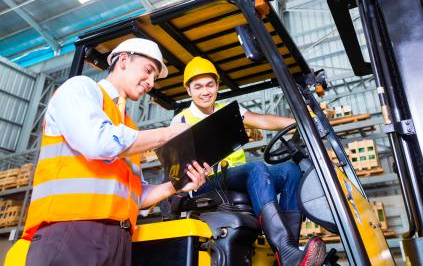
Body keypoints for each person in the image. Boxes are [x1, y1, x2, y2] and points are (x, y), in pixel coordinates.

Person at [21, 38, 211, 266]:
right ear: (123, 60)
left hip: (118, 239)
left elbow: (136, 196)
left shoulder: (129, 128)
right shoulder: (80, 89)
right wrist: (169, 134)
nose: (151, 82)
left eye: (154, 78)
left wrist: (178, 185)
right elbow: (97, 143)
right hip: (72, 232)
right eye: (148, 71)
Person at [171, 56, 327, 266]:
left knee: (290, 170)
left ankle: (288, 252)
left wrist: (303, 123)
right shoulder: (181, 120)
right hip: (203, 182)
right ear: (189, 90)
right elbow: (176, 167)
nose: (205, 91)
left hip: (234, 177)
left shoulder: (227, 111)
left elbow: (262, 120)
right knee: (256, 168)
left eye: (209, 85)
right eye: (198, 87)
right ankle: (284, 247)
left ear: (217, 86)